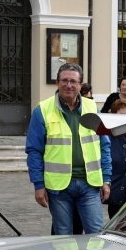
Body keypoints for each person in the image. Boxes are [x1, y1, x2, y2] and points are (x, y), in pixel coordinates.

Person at [26, 62, 112, 235]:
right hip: (59, 188)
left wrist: (107, 179)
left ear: (80, 85)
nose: (68, 85)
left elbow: (104, 146)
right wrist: (38, 185)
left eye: (73, 81)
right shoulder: (42, 110)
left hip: (90, 184)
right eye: (64, 80)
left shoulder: (93, 108)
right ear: (57, 83)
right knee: (63, 236)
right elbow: (34, 151)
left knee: (96, 234)